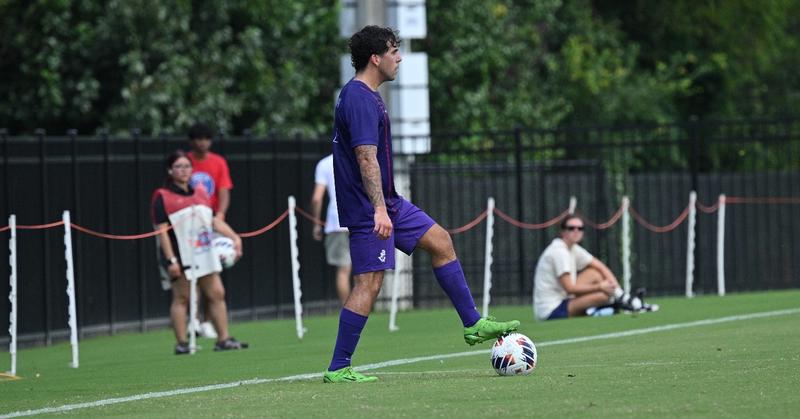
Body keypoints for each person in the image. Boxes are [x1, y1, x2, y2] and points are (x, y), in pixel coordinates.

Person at [322, 26, 520, 383]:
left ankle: (473, 323)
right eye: (394, 51)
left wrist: (387, 204)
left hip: (389, 202)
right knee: (369, 283)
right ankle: (339, 367)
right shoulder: (359, 98)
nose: (399, 58)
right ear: (375, 58)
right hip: (371, 208)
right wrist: (379, 210)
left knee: (441, 241)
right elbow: (366, 158)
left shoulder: (366, 95)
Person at [151, 150, 248, 354]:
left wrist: (234, 237)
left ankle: (224, 339)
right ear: (170, 170)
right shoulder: (163, 197)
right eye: (179, 166)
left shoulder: (201, 193)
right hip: (181, 255)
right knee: (182, 298)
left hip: (204, 253)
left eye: (187, 166)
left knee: (217, 293)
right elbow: (161, 232)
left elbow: (212, 220)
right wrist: (171, 260)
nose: (184, 170)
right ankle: (182, 343)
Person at [532, 214, 650, 321]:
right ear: (563, 231)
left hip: (564, 300)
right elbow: (570, 288)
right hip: (551, 310)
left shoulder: (573, 248)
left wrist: (619, 293)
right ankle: (621, 305)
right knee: (603, 295)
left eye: (580, 228)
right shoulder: (559, 252)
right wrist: (600, 287)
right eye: (571, 228)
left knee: (595, 273)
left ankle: (623, 301)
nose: (576, 231)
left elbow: (600, 266)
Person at [186, 122, 234, 339]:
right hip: (188, 223)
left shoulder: (218, 162)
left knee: (210, 272)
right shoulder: (185, 162)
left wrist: (220, 216)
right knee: (192, 273)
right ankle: (193, 319)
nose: (202, 142)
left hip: (211, 222)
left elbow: (224, 191)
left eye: (206, 138)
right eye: (198, 138)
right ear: (192, 141)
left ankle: (206, 321)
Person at [311, 154, 352, 304]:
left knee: (343, 271)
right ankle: (362, 311)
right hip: (359, 219)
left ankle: (350, 313)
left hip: (337, 222)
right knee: (363, 270)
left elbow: (317, 198)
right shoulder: (357, 158)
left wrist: (316, 223)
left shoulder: (324, 164)